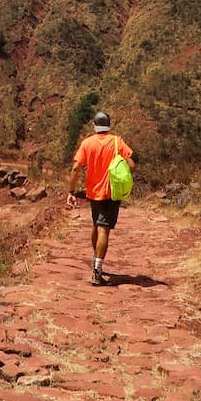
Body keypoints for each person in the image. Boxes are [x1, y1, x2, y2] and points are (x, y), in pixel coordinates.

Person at [65, 110, 135, 286]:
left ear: (94, 125)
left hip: (93, 192)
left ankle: (96, 260)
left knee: (97, 225)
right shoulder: (117, 142)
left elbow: (75, 168)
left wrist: (71, 192)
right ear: (109, 124)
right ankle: (97, 270)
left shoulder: (87, 143)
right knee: (104, 229)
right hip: (111, 192)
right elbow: (132, 165)